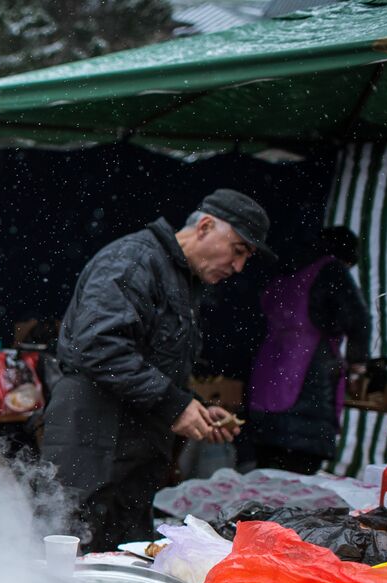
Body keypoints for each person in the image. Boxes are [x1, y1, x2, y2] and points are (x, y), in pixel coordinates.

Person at [42, 189, 273, 551]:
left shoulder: (182, 280)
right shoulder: (134, 260)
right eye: (238, 249)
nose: (238, 266)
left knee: (123, 563)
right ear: (206, 226)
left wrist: (191, 404)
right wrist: (173, 404)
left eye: (246, 257)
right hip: (93, 438)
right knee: (72, 553)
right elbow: (98, 346)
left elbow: (149, 361)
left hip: (135, 448)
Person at [245, 227, 370, 475]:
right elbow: (358, 320)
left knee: (266, 470)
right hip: (308, 378)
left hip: (268, 371)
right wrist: (358, 364)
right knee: (297, 475)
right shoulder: (331, 269)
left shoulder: (284, 268)